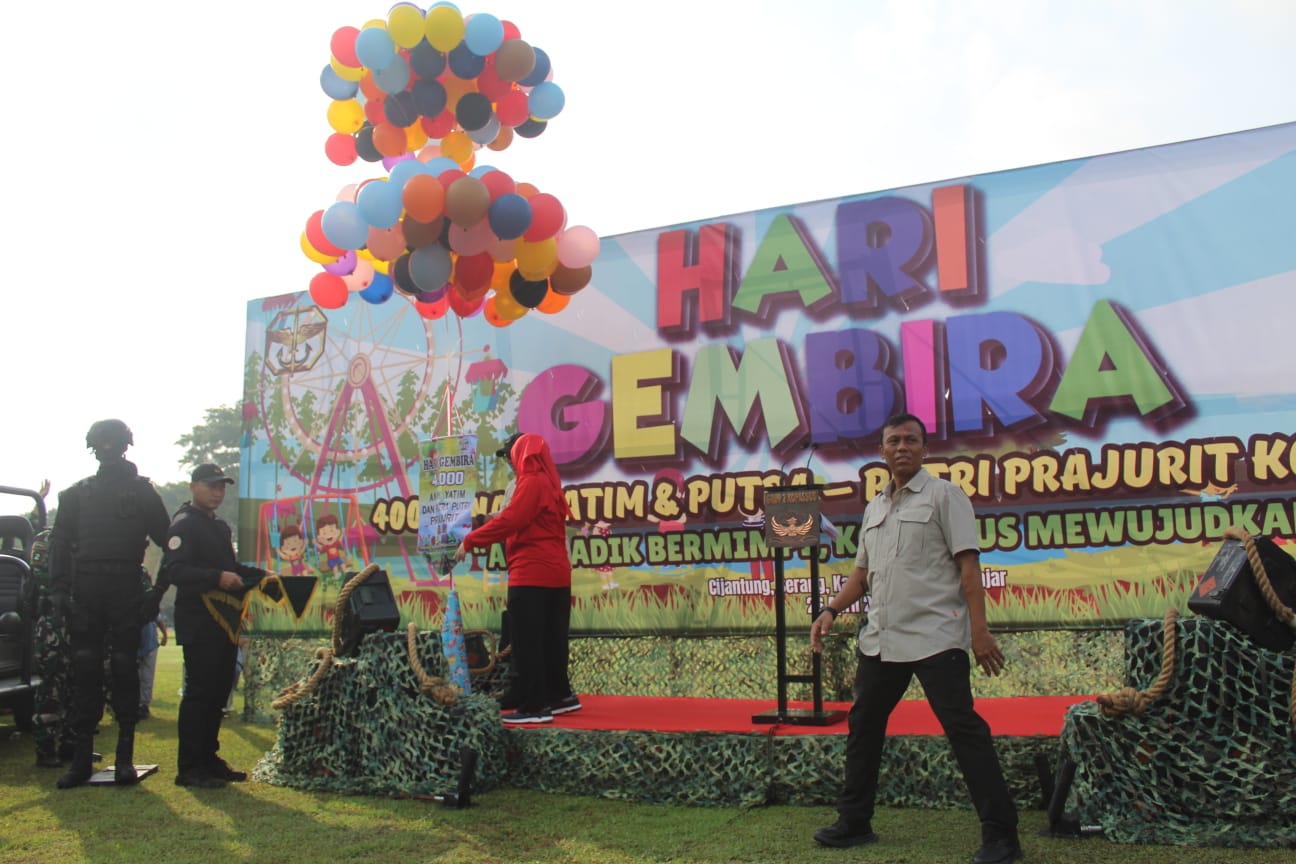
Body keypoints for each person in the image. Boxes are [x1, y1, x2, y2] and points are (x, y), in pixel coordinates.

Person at [809, 413, 1021, 864]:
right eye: (894, 441)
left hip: (936, 636)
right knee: (864, 726)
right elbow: (861, 576)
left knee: (964, 730)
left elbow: (969, 568)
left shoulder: (945, 496)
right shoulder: (875, 508)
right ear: (882, 451)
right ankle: (854, 822)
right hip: (881, 640)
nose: (902, 447)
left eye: (910, 440)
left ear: (925, 449)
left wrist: (979, 632)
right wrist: (830, 610)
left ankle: (1002, 836)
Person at [47, 419, 171, 788]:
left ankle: (124, 758)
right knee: (85, 667)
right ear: (92, 447)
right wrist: (58, 590)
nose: (106, 449)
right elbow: (58, 544)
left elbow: (172, 544)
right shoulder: (76, 495)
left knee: (123, 666)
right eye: (100, 443)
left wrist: (157, 591)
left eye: (112, 442)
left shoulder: (142, 493)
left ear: (124, 446)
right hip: (87, 588)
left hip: (125, 586)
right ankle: (82, 757)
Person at [454, 432, 577, 724]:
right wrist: (479, 524)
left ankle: (535, 707)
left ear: (521, 455)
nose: (510, 461)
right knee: (550, 639)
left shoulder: (532, 482)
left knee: (527, 641)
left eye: (512, 455)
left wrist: (470, 541)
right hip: (555, 573)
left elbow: (511, 520)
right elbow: (511, 517)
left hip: (532, 571)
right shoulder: (548, 481)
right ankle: (558, 696)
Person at [160, 463, 267, 788]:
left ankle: (209, 758)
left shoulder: (219, 527)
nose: (217, 492)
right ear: (193, 487)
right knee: (200, 693)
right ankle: (190, 767)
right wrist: (216, 577)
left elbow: (230, 566)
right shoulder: (184, 524)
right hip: (199, 619)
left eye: (221, 487)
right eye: (211, 486)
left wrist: (263, 576)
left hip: (223, 622)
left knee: (219, 691)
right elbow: (175, 571)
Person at [137, 599, 167, 720]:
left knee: (146, 677)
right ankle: (139, 704)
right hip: (137, 643)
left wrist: (165, 635)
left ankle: (143, 705)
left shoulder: (147, 602)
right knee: (141, 676)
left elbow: (158, 619)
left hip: (148, 643)